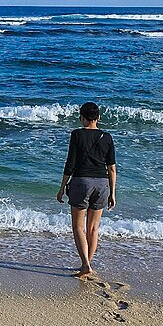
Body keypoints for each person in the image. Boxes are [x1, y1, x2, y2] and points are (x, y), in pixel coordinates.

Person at [56, 102, 116, 278]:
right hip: (102, 184)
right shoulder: (107, 137)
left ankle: (85, 265)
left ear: (82, 117)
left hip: (81, 182)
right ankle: (87, 264)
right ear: (98, 118)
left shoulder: (77, 134)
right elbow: (112, 168)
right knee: (93, 228)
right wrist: (113, 193)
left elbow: (70, 163)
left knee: (77, 226)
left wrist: (61, 188)